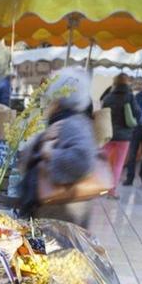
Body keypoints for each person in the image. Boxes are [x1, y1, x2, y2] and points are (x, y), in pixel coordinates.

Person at [17, 68, 98, 228]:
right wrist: (43, 139)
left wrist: (50, 154)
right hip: (57, 213)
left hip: (62, 214)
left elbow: (83, 161)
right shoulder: (68, 120)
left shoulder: (72, 123)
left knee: (55, 251)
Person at [100, 73, 136, 199]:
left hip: (108, 134)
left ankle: (97, 187)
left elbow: (102, 111)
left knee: (102, 161)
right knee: (118, 164)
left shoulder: (109, 97)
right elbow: (137, 112)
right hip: (124, 137)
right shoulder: (130, 97)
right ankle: (112, 191)